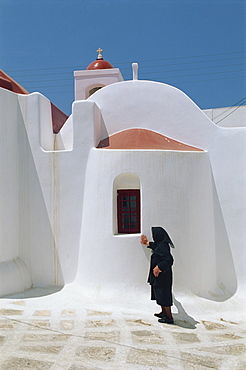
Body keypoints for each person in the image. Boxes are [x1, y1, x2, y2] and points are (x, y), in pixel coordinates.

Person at [140, 226, 175, 324]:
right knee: (159, 294)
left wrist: (159, 267)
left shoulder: (163, 246)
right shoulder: (160, 245)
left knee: (164, 295)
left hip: (163, 276)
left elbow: (169, 259)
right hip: (158, 277)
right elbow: (154, 246)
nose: (152, 236)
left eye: (154, 234)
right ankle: (163, 312)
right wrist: (146, 242)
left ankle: (169, 317)